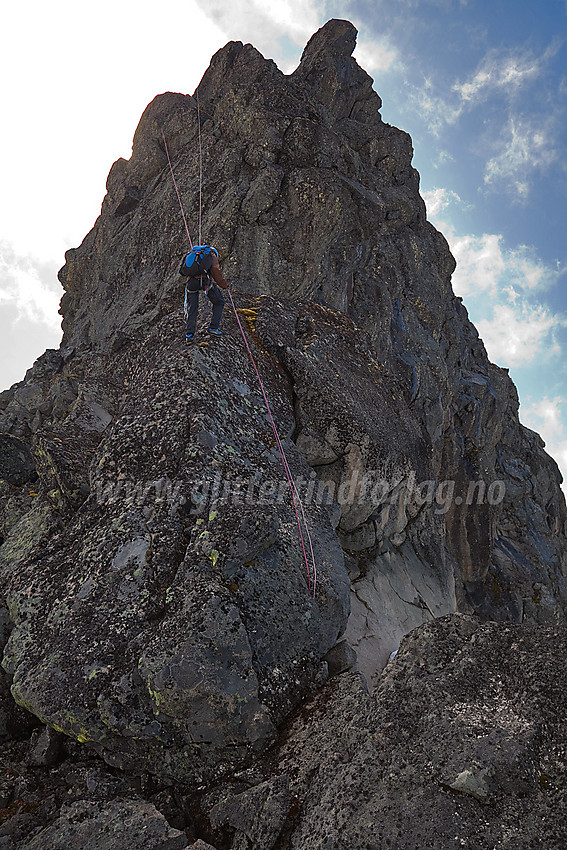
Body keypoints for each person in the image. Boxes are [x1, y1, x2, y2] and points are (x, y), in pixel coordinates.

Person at [183, 246, 229, 344]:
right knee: (219, 302)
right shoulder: (211, 255)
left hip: (191, 283)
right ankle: (213, 328)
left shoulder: (194, 254)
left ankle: (189, 336)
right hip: (204, 282)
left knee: (193, 308)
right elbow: (216, 272)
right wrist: (224, 285)